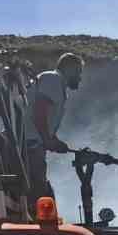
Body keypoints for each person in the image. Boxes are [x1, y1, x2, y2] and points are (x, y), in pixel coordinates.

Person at [23, 53, 83, 205]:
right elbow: (39, 110)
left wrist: (54, 141)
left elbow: (42, 120)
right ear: (69, 69)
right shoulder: (53, 79)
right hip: (29, 146)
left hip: (32, 144)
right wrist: (47, 139)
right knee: (39, 194)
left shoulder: (55, 83)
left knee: (42, 192)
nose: (80, 77)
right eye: (78, 72)